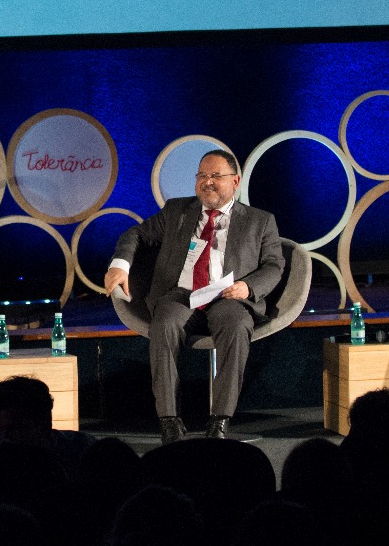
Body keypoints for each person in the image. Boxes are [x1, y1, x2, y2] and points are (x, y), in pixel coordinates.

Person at [104, 149, 284, 442]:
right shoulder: (177, 210)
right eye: (201, 176)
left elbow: (274, 265)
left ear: (235, 180)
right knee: (164, 324)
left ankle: (220, 421)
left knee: (237, 326)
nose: (207, 182)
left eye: (216, 176)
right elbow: (136, 234)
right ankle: (170, 421)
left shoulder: (259, 221)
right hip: (181, 294)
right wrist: (120, 265)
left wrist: (248, 287)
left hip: (228, 296)